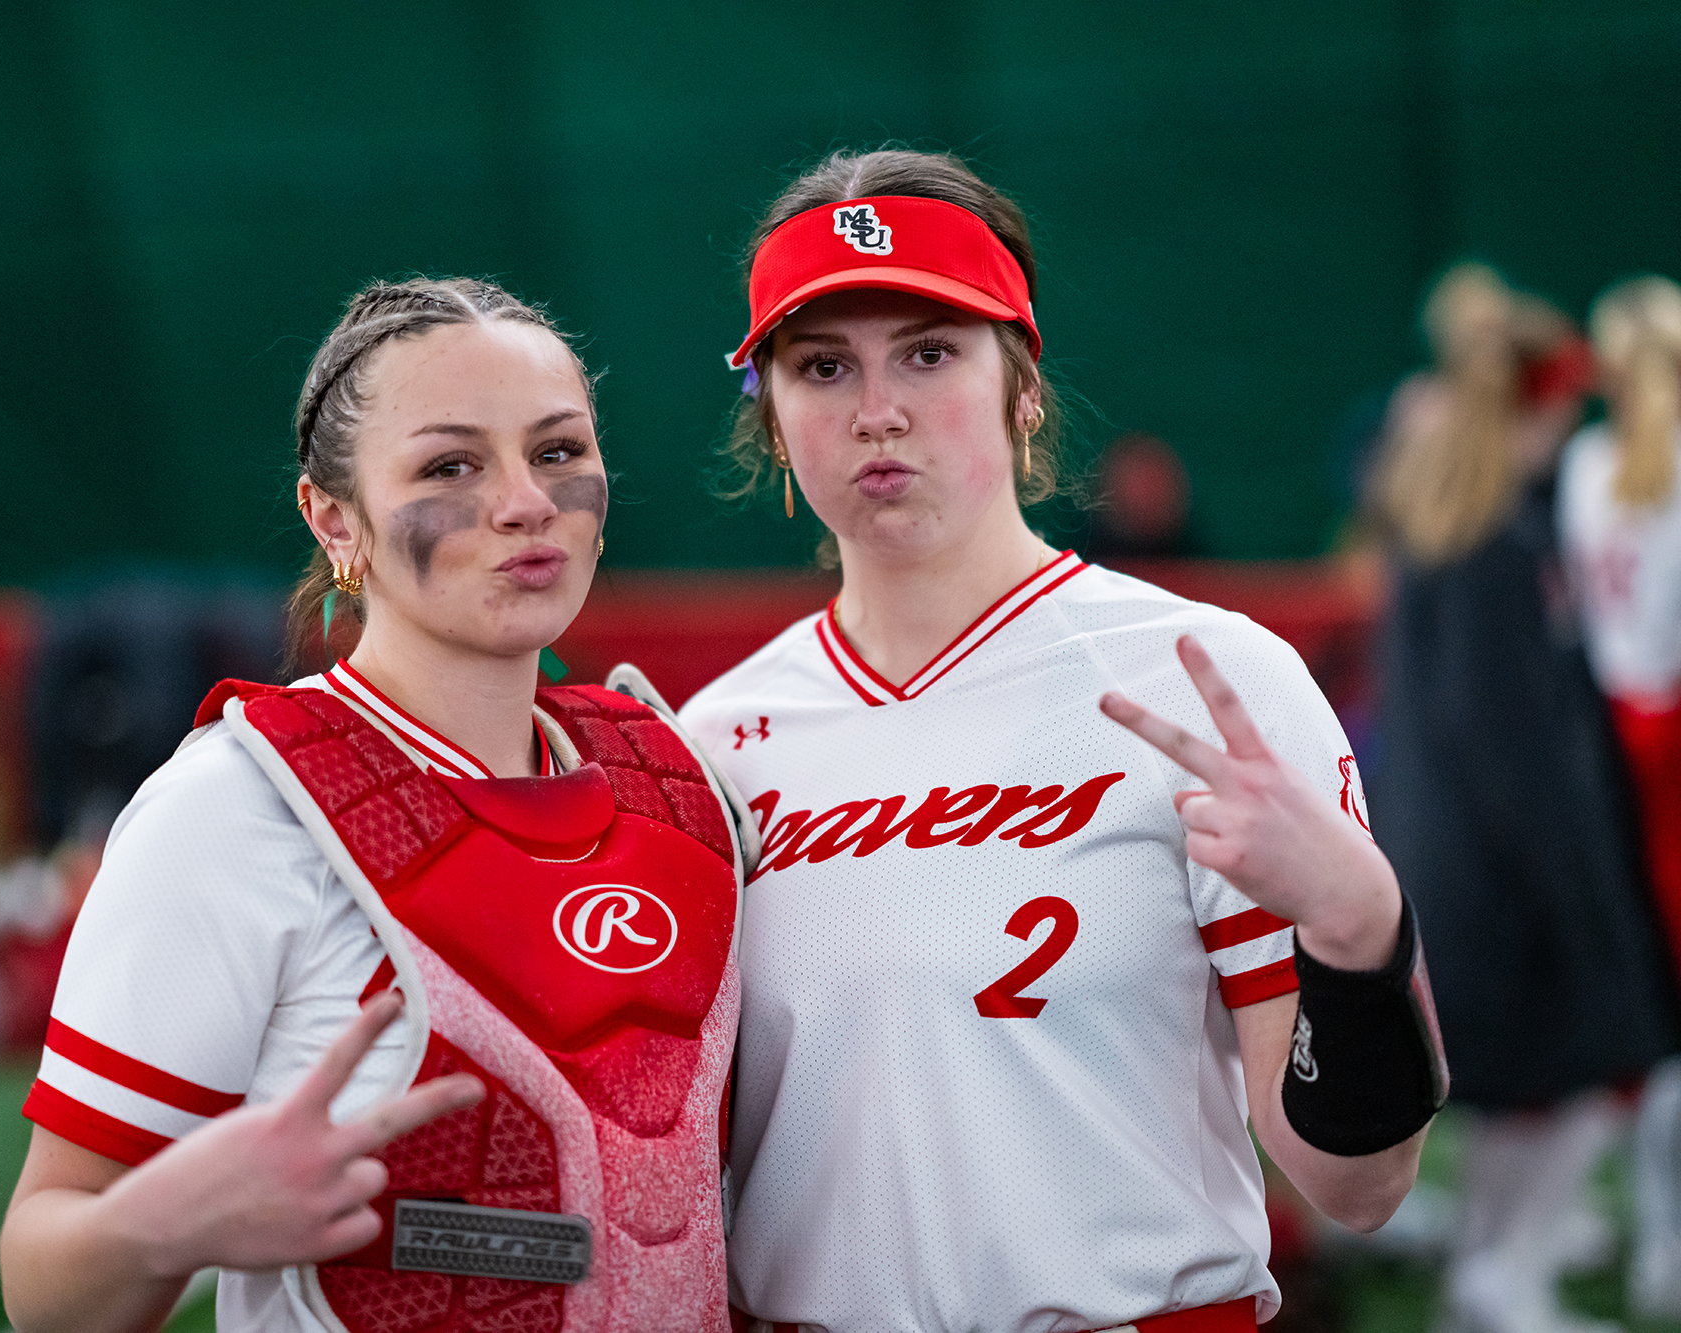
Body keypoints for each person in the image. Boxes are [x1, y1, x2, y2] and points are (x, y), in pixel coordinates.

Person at [677, 148, 1446, 1333]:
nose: (875, 410)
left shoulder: (1201, 679)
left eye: (928, 353)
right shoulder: (711, 743)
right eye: (821, 365)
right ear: (771, 421)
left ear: (1020, 386)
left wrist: (1357, 928)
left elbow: (1359, 1185)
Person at [0, 278, 750, 1333]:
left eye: (557, 451)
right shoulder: (235, 811)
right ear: (334, 519)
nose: (525, 501)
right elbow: (41, 1286)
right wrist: (163, 1227)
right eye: (451, 465)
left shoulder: (680, 782)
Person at [1365, 263, 1677, 1333]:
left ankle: (1494, 1273)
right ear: (1540, 404)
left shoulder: (1436, 522)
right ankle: (1505, 1279)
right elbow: (1512, 747)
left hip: (1446, 852)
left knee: (1521, 1093)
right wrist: (1577, 882)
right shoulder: (1493, 544)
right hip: (1504, 867)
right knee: (1585, 1068)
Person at [1556, 274, 1681, 1316]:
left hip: (1600, 735)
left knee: (1625, 975)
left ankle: (1621, 1220)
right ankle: (1650, 1232)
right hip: (1662, 734)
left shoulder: (1587, 462)